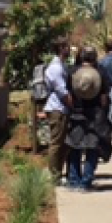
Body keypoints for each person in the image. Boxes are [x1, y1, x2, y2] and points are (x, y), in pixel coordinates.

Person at [65, 46, 107, 191]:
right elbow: (104, 98)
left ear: (81, 57)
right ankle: (86, 181)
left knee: (75, 147)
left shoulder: (72, 72)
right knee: (92, 147)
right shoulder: (100, 73)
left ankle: (74, 180)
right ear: (95, 58)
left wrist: (71, 109)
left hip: (76, 113)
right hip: (94, 115)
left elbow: (68, 96)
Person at [43, 38, 72, 184]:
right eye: (67, 46)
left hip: (61, 108)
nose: (69, 49)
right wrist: (71, 104)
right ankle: (54, 176)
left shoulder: (61, 65)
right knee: (56, 143)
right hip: (57, 109)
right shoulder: (55, 68)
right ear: (61, 48)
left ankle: (58, 172)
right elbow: (62, 91)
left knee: (62, 143)